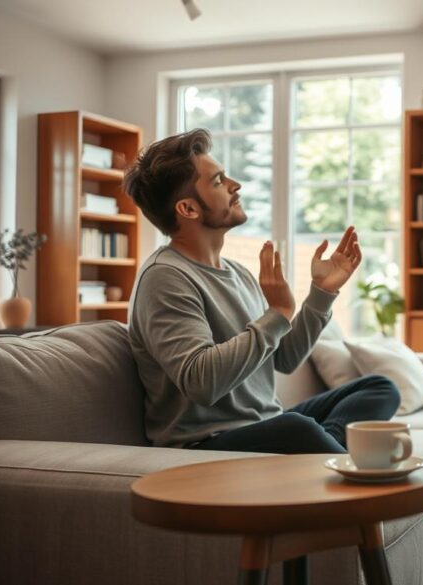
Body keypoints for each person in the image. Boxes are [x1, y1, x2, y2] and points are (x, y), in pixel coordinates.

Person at [123, 128, 400, 454]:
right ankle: (331, 461)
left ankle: (323, 455)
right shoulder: (165, 278)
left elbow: (284, 358)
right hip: (208, 442)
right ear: (188, 209)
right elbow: (201, 382)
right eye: (217, 181)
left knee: (379, 388)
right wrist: (278, 313)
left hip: (266, 425)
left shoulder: (236, 271)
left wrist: (320, 294)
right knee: (297, 429)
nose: (234, 185)